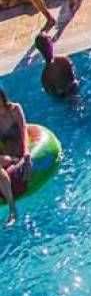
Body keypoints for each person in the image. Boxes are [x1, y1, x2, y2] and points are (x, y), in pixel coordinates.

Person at [0, 84, 31, 225]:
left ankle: (12, 210)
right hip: (7, 156)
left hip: (19, 151)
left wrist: (26, 153)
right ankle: (12, 208)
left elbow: (24, 131)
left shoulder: (14, 109)